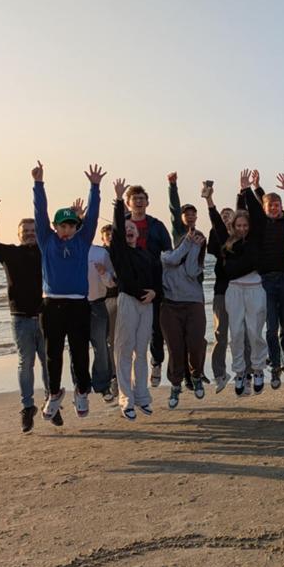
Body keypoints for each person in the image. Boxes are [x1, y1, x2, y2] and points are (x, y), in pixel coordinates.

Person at [33, 161, 104, 422]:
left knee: (79, 352)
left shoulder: (83, 241)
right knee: (52, 354)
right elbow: (40, 212)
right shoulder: (46, 239)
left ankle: (82, 392)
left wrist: (94, 187)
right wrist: (38, 184)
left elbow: (93, 216)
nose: (67, 229)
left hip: (78, 305)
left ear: (76, 227)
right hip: (51, 305)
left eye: (71, 225)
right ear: (55, 226)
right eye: (62, 225)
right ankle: (54, 394)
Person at [0, 192, 52, 432]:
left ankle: (52, 402)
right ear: (19, 234)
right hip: (20, 318)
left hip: (46, 316)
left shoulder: (47, 252)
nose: (30, 234)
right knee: (25, 363)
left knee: (49, 362)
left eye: (33, 231)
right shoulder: (9, 253)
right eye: (26, 231)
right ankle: (27, 407)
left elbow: (71, 240)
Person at [205, 172, 270, 396]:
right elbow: (216, 222)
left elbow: (258, 215)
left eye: (245, 225)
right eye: (238, 225)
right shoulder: (227, 241)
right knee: (237, 333)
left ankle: (258, 369)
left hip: (255, 289)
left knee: (254, 331)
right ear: (233, 226)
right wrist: (209, 200)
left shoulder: (256, 238)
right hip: (233, 290)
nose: (242, 228)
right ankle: (240, 372)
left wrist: (245, 190)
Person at [108, 178, 162, 420]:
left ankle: (142, 396)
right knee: (124, 350)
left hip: (146, 305)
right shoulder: (119, 252)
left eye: (133, 229)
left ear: (138, 234)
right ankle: (126, 399)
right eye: (126, 228)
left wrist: (155, 293)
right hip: (128, 301)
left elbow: (158, 278)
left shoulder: (146, 254)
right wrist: (119, 200)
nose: (129, 231)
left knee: (141, 351)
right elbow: (118, 229)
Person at [243, 170, 284, 388]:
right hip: (266, 282)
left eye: (277, 205)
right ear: (264, 208)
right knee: (271, 328)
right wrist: (252, 188)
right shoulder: (261, 225)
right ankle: (274, 367)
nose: (273, 208)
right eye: (270, 206)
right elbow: (256, 208)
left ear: (281, 206)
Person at [123, 184, 172, 387]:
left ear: (147, 202)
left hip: (153, 280)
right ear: (128, 203)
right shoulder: (122, 223)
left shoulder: (156, 225)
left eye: (142, 198)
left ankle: (156, 362)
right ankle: (128, 372)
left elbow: (168, 252)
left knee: (155, 328)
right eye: (135, 199)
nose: (139, 202)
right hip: (128, 281)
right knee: (128, 329)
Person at [68, 198, 117, 404]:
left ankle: (103, 385)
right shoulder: (68, 249)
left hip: (97, 305)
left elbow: (112, 282)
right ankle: (80, 387)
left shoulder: (100, 252)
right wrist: (76, 216)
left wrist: (104, 273)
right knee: (76, 349)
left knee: (101, 347)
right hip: (74, 306)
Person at [166, 172, 208, 389]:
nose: (190, 217)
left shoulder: (200, 235)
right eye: (186, 215)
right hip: (175, 291)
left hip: (195, 289)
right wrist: (173, 186)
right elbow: (174, 209)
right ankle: (182, 375)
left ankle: (196, 373)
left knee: (197, 337)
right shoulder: (178, 232)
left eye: (193, 215)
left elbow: (200, 262)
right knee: (178, 339)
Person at [160, 227, 208, 408]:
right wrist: (189, 242)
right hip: (170, 306)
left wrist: (194, 248)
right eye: (193, 238)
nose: (195, 242)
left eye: (199, 241)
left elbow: (190, 270)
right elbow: (174, 259)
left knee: (196, 344)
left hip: (194, 305)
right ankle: (175, 384)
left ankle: (196, 375)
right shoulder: (166, 256)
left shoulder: (198, 263)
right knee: (175, 348)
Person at [99, 223, 119, 399]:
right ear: (103, 238)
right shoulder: (101, 253)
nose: (111, 238)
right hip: (107, 300)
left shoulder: (123, 251)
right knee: (110, 341)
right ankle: (114, 376)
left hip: (125, 298)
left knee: (128, 340)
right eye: (108, 236)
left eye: (113, 235)